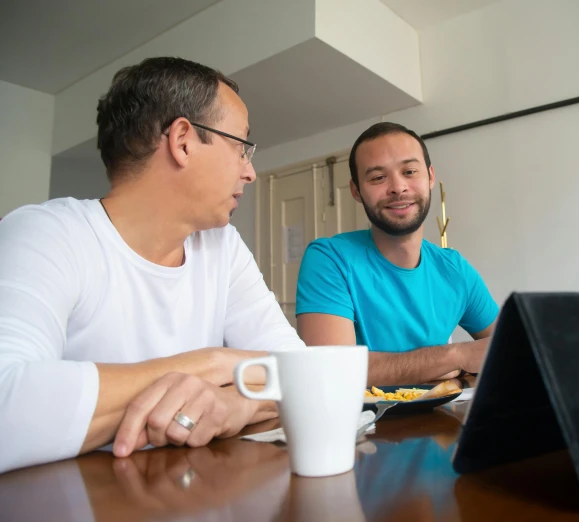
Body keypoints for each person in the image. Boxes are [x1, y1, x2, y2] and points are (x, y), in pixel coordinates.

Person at [0, 57, 304, 474]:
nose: (249, 172)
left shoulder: (222, 245)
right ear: (182, 141)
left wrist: (237, 401)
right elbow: (8, 407)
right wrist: (209, 364)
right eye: (241, 148)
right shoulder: (46, 234)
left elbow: (304, 373)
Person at [295, 122, 498, 385]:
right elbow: (333, 370)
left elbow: (509, 347)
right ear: (356, 191)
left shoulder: (455, 269)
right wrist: (454, 357)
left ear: (430, 176)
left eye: (410, 171)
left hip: (443, 421)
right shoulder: (329, 258)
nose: (398, 187)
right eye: (378, 177)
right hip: (363, 425)